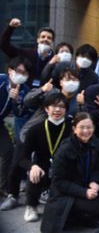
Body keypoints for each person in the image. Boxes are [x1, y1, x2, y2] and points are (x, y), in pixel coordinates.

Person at [40, 112, 99, 232]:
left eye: (89, 127)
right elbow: (58, 181)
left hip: (85, 184)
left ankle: (82, 216)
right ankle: (76, 216)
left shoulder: (95, 144)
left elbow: (97, 168)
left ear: (94, 128)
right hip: (65, 193)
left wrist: (94, 181)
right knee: (92, 206)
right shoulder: (65, 149)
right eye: (82, 127)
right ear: (74, 129)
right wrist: (84, 192)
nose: (86, 131)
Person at [15, 93, 72, 222]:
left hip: (63, 168)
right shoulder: (35, 129)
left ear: (66, 110)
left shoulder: (71, 128)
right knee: (35, 173)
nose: (57, 110)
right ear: (46, 108)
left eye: (62, 107)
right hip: (42, 167)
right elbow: (22, 157)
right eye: (53, 106)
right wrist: (32, 166)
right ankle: (32, 205)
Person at [0, 57, 32, 199]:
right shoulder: (1, 80)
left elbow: (20, 113)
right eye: (19, 71)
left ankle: (2, 187)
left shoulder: (24, 90)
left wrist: (16, 100)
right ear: (10, 71)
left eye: (25, 73)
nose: (21, 75)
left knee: (8, 151)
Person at [0, 17, 54, 87]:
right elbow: (4, 46)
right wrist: (10, 27)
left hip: (46, 95)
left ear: (52, 42)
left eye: (49, 38)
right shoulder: (26, 53)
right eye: (43, 37)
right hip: (25, 93)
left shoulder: (55, 60)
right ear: (38, 40)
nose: (45, 39)